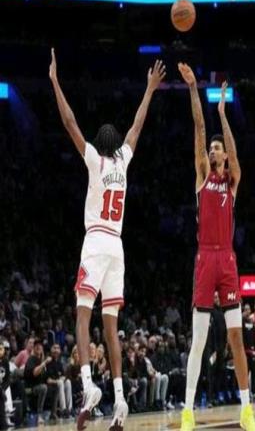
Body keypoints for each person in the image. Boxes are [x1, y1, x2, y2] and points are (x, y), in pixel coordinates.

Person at [49, 48, 166, 431]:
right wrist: (149, 89)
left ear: (99, 145)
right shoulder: (123, 161)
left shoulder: (95, 160)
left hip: (97, 240)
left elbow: (69, 121)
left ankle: (88, 386)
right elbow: (137, 126)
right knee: (112, 326)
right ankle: (119, 399)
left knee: (82, 317)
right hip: (118, 246)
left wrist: (55, 81)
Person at [178, 62, 255, 431]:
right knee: (198, 341)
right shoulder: (202, 176)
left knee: (236, 337)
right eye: (210, 149)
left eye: (217, 149)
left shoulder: (232, 180)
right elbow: (198, 126)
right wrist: (194, 88)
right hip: (205, 258)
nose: (212, 151)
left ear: (224, 155)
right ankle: (188, 411)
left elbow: (237, 157)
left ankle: (246, 410)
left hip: (227, 259)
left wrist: (224, 114)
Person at [24, 340, 52, 425]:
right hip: (30, 388)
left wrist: (56, 381)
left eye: (40, 345)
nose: (38, 346)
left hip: (39, 386)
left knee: (56, 386)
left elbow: (46, 378)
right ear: (34, 348)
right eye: (36, 345)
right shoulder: (31, 359)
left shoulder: (40, 360)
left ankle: (54, 413)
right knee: (43, 388)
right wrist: (44, 363)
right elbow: (35, 373)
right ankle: (39, 415)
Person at [46, 344, 72, 419]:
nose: (56, 350)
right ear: (51, 350)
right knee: (60, 382)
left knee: (68, 382)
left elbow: (63, 375)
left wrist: (62, 379)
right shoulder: (48, 361)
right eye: (54, 348)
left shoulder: (59, 363)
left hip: (59, 384)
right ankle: (63, 410)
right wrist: (58, 381)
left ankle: (69, 409)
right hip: (50, 385)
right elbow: (47, 380)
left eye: (58, 348)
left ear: (60, 351)